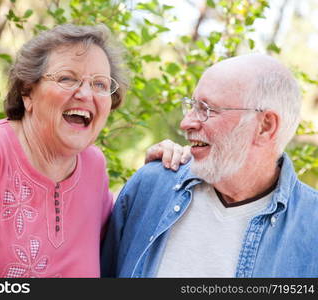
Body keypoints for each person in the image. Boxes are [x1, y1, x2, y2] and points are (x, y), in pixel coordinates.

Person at [0, 24, 189, 278]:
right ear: (28, 92)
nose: (86, 94)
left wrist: (157, 172)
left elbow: (124, 253)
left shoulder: (93, 168)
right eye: (67, 78)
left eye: (99, 84)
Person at [101, 53, 318, 278]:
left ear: (265, 126)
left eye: (207, 109)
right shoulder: (151, 186)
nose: (186, 123)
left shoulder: (311, 226)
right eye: (192, 106)